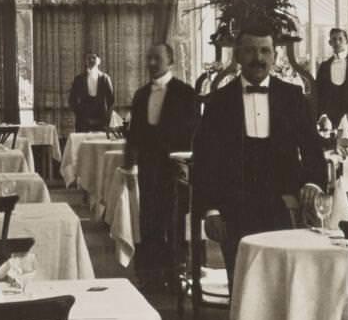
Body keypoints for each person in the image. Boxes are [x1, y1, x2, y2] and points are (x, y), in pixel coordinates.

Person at [192, 24, 327, 284]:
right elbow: (205, 159)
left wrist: (312, 182)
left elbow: (312, 148)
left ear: (274, 56)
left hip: (283, 202)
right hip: (234, 203)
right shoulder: (219, 100)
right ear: (238, 56)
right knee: (241, 277)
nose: (259, 58)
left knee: (283, 276)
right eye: (251, 51)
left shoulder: (293, 96)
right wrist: (210, 210)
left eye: (265, 51)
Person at [123, 42, 198, 280]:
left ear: (171, 61)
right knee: (149, 217)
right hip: (148, 166)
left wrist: (187, 165)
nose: (152, 63)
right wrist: (129, 163)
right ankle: (151, 273)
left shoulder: (185, 93)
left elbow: (194, 132)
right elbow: (133, 134)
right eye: (149, 58)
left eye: (157, 58)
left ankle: (175, 271)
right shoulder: (141, 94)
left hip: (175, 167)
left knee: (173, 219)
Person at [314, 28, 348, 129]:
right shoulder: (324, 67)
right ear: (330, 43)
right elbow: (318, 94)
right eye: (334, 39)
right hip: (329, 121)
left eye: (340, 39)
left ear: (347, 41)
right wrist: (322, 116)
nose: (337, 42)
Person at [68, 52, 115, 132]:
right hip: (83, 120)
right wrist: (79, 113)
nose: (91, 60)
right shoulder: (78, 79)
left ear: (99, 61)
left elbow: (111, 100)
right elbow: (72, 99)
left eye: (94, 58)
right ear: (85, 61)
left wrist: (106, 116)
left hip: (101, 119)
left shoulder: (105, 78)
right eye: (88, 58)